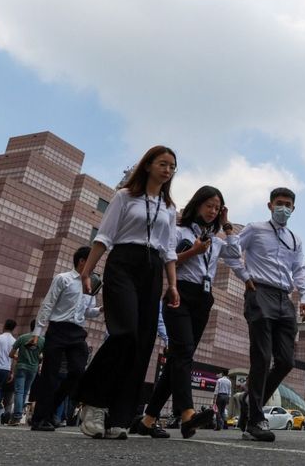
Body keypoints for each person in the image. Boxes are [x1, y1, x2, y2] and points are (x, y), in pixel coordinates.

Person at [77, 146, 181, 440]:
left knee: (142, 343)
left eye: (173, 166)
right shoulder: (125, 196)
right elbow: (104, 236)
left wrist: (172, 284)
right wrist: (87, 273)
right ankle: (93, 402)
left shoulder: (169, 207)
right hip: (123, 263)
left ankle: (120, 415)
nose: (168, 170)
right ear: (147, 165)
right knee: (124, 333)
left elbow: (169, 250)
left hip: (152, 270)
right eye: (163, 163)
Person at [135, 186, 241, 440]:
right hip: (178, 293)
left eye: (217, 208)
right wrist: (193, 251)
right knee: (182, 354)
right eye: (209, 206)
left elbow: (236, 253)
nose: (213, 211)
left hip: (203, 300)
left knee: (177, 361)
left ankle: (148, 420)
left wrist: (226, 226)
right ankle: (188, 415)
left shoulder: (215, 241)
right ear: (197, 205)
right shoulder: (179, 230)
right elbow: (167, 260)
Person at [226, 187, 305, 443]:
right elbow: (230, 252)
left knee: (285, 361)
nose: (283, 208)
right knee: (261, 356)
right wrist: (244, 276)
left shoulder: (295, 239)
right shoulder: (255, 228)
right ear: (270, 205)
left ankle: (250, 403)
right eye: (279, 203)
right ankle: (254, 420)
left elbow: (300, 270)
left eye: (288, 204)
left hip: (285, 299)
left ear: (293, 209)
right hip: (259, 291)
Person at [28, 246, 102, 432]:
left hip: (77, 333)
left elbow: (87, 312)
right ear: (82, 261)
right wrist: (37, 334)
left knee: (78, 372)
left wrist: (101, 309)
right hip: (58, 330)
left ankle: (51, 409)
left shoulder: (91, 284)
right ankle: (40, 419)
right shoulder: (63, 279)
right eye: (92, 261)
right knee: (50, 376)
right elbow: (48, 304)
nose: (95, 265)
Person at [10, 319, 44, 425]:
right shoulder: (42, 340)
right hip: (33, 369)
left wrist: (19, 357)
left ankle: (17, 416)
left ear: (31, 326)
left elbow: (11, 354)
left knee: (19, 392)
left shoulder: (22, 337)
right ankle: (18, 415)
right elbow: (42, 356)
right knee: (24, 392)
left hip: (21, 367)